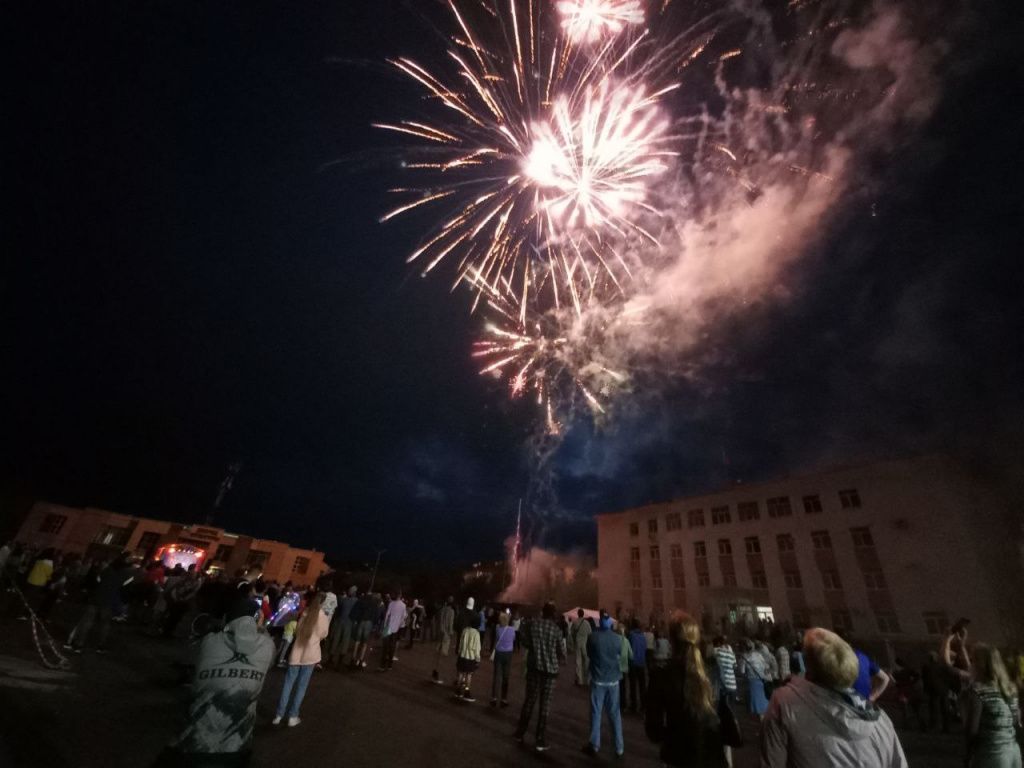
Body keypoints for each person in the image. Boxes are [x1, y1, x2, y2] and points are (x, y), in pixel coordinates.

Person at [760, 627, 908, 768]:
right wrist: (872, 697)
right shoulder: (881, 720)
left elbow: (772, 762)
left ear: (810, 668)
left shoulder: (784, 704)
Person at [152, 598, 275, 767]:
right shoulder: (267, 646)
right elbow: (266, 648)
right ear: (257, 618)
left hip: (191, 742)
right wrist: (259, 627)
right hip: (237, 745)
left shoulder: (208, 642)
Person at [645, 612, 727, 768]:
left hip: (680, 758)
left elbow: (653, 731)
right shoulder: (711, 671)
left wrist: (673, 735)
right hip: (715, 757)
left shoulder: (661, 676)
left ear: (671, 640)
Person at [515, 602, 567, 752]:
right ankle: (540, 739)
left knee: (529, 701)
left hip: (534, 669)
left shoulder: (533, 624)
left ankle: (520, 732)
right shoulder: (556, 630)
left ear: (542, 612)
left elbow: (523, 638)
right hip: (550, 673)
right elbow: (562, 653)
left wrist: (533, 647)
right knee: (545, 706)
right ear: (553, 614)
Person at [274, 592, 330, 726]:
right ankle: (293, 716)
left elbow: (297, 631)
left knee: (288, 684)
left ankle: (279, 714)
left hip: (296, 653)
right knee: (301, 686)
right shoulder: (322, 617)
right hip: (310, 654)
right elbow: (323, 634)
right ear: (322, 603)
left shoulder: (305, 614)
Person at [963, 644, 1022, 768]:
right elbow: (1016, 721)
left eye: (973, 660)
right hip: (1013, 752)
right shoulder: (1010, 689)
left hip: (991, 753)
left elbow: (971, 731)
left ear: (980, 665)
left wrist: (968, 755)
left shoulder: (978, 691)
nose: (970, 665)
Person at [66, 553, 135, 653]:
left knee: (87, 621)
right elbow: (126, 591)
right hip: (109, 601)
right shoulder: (128, 574)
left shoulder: (108, 569)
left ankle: (78, 644)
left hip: (97, 598)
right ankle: (100, 646)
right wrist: (123, 603)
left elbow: (97, 581)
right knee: (104, 624)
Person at [583, 611, 625, 758]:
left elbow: (589, 654)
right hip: (614, 681)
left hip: (598, 681)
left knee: (596, 713)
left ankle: (594, 745)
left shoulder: (593, 637)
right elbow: (621, 656)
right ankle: (619, 747)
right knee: (615, 714)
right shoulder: (618, 639)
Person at [162, 565, 202, 639]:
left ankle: (168, 632)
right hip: (179, 602)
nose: (193, 576)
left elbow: (190, 593)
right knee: (173, 617)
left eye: (193, 575)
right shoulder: (184, 583)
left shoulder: (190, 583)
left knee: (175, 618)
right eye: (192, 575)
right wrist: (179, 598)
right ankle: (166, 632)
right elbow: (177, 591)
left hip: (181, 603)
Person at [738, 638, 771, 719]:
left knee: (756, 708)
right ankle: (764, 725)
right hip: (761, 681)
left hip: (752, 683)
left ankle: (761, 727)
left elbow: (742, 671)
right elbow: (766, 666)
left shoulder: (744, 657)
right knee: (762, 707)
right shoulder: (759, 655)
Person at [327, 585, 359, 668]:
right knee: (345, 641)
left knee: (336, 639)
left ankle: (331, 658)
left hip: (340, 620)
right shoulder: (356, 601)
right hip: (349, 622)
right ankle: (340, 661)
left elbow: (338, 609)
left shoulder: (343, 600)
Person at [490, 610, 516, 707]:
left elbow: (496, 639)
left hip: (499, 653)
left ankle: (494, 697)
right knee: (506, 676)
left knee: (497, 676)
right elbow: (513, 639)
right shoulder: (512, 630)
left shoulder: (497, 629)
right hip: (508, 654)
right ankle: (504, 698)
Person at [923, 650, 953, 733]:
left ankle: (934, 726)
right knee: (945, 709)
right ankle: (946, 727)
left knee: (934, 709)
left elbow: (926, 679)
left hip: (933, 690)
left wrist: (926, 690)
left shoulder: (927, 667)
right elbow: (948, 678)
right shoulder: (943, 666)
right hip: (944, 690)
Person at [349, 591, 380, 669]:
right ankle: (360, 660)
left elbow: (356, 611)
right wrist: (375, 623)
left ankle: (353, 659)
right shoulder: (374, 603)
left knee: (357, 641)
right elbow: (377, 615)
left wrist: (356, 620)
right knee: (365, 643)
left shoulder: (362, 601)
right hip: (369, 623)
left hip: (361, 621)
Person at [455, 616, 482, 701]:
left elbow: (460, 643)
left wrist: (459, 651)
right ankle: (467, 692)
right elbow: (477, 648)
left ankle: (458, 690)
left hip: (462, 655)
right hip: (470, 657)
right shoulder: (476, 634)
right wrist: (478, 658)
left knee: (461, 673)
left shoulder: (465, 630)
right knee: (469, 674)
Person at [378, 593, 407, 671]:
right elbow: (404, 617)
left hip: (388, 627)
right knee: (392, 647)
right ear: (400, 596)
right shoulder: (403, 605)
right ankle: (390, 665)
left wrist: (384, 626)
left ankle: (382, 665)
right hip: (395, 628)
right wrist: (399, 625)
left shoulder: (391, 603)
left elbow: (387, 615)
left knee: (385, 647)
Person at [628, 619, 649, 713]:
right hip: (642, 662)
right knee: (642, 686)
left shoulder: (631, 635)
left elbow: (629, 647)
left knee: (633, 686)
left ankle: (634, 706)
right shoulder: (643, 636)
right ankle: (643, 706)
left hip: (633, 662)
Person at [571, 609, 593, 686]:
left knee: (578, 661)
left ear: (578, 614)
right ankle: (587, 680)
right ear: (583, 614)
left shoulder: (575, 622)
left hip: (577, 643)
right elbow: (590, 634)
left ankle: (579, 680)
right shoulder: (587, 623)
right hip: (585, 643)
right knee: (586, 661)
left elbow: (572, 633)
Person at [617, 623, 634, 713]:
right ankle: (623, 705)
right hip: (624, 666)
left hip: (616, 667)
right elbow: (631, 655)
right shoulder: (626, 641)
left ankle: (616, 704)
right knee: (623, 687)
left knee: (616, 686)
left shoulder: (615, 640)